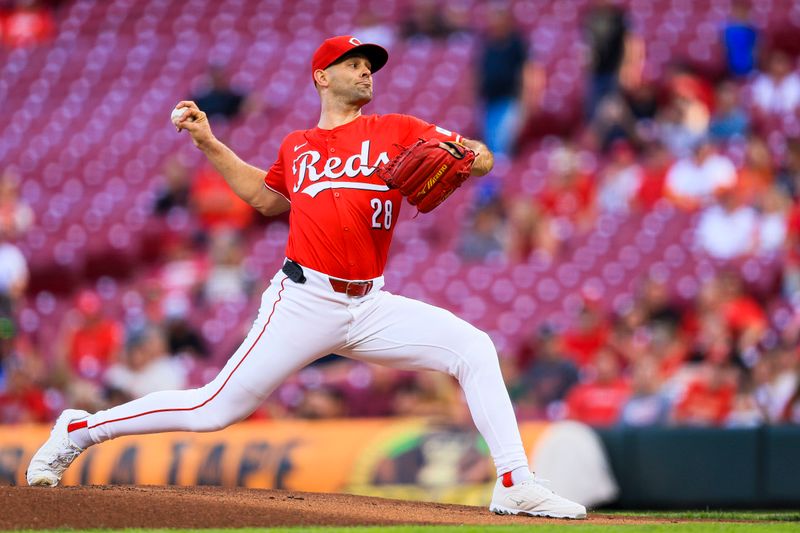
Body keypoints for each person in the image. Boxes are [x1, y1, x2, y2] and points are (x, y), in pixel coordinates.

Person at [26, 35, 586, 519]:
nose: (366, 70)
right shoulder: (298, 146)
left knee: (474, 347)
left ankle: (514, 483)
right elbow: (263, 199)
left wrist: (463, 151)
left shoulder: (397, 129)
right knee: (213, 409)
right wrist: (208, 142)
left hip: (370, 305)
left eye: (370, 64)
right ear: (322, 76)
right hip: (303, 299)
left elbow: (483, 159)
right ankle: (81, 429)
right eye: (354, 63)